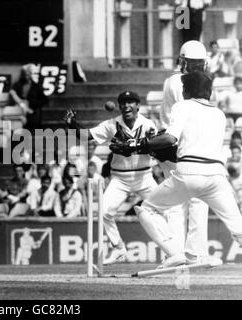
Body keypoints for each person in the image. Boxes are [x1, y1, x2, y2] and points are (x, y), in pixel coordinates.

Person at [125, 72, 242, 268]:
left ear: (187, 90)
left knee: (147, 209)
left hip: (189, 172)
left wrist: (138, 144)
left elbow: (170, 139)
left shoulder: (182, 106)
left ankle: (174, 253)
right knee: (238, 226)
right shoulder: (219, 114)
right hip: (217, 176)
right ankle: (195, 254)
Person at [64, 90, 158, 264]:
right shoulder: (111, 124)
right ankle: (119, 248)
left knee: (166, 210)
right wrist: (72, 124)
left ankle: (174, 251)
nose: (126, 105)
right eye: (123, 102)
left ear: (138, 105)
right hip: (119, 179)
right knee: (104, 211)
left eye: (131, 102)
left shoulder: (148, 124)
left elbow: (155, 147)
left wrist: (133, 146)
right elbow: (87, 136)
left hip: (144, 177)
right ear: (119, 106)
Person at [158, 40, 213, 265]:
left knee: (196, 200)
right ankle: (179, 253)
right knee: (179, 203)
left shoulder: (197, 81)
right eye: (193, 64)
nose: (197, 68)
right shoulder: (177, 82)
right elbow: (190, 117)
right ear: (183, 63)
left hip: (187, 146)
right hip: (175, 147)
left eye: (200, 64)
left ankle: (192, 253)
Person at [9, 63, 48, 132]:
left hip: (32, 110)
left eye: (29, 73)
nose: (27, 75)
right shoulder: (17, 85)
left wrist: (32, 103)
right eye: (25, 73)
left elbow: (44, 100)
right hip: (18, 109)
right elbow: (12, 98)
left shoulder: (36, 86)